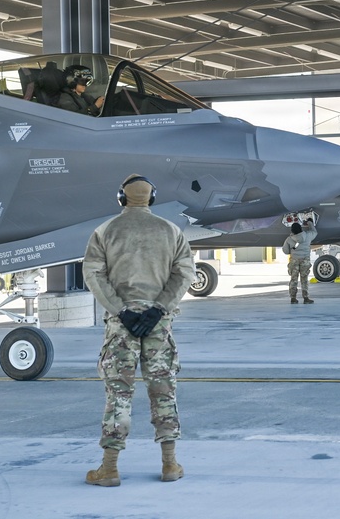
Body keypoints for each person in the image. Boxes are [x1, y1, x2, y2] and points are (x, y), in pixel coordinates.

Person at [82, 174, 196, 487]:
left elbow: (94, 275)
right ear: (152, 198)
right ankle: (170, 465)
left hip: (122, 327)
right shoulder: (171, 231)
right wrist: (158, 308)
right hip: (158, 325)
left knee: (118, 394)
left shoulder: (105, 231)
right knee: (163, 391)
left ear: (121, 198)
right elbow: (184, 273)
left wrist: (121, 310)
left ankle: (109, 469)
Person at [282, 218, 317, 303]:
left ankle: (293, 298)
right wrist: (310, 223)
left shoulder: (289, 239)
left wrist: (293, 250)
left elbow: (285, 251)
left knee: (294, 279)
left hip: (294, 260)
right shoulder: (307, 236)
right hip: (305, 260)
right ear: (301, 229)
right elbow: (314, 232)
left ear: (292, 230)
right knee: (304, 279)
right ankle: (306, 298)